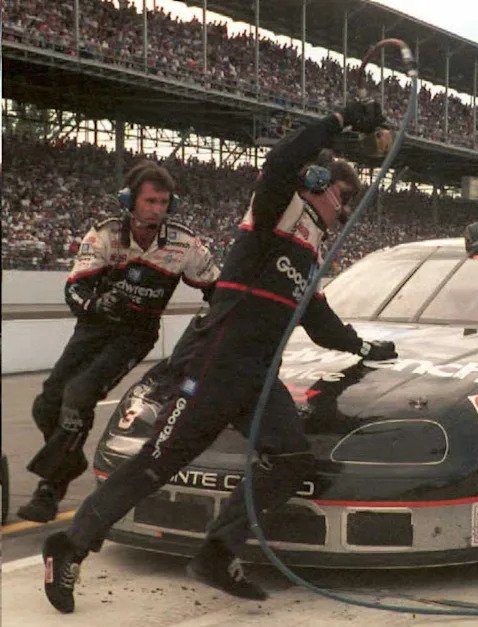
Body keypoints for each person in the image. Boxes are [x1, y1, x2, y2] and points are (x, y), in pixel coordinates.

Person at [41, 102, 398, 614]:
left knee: (290, 460)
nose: (345, 210)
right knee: (159, 462)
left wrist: (365, 348)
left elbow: (319, 322)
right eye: (343, 197)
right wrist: (340, 120)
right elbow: (279, 163)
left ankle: (218, 550)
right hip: (217, 360)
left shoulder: (310, 249)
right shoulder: (276, 210)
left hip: (256, 372)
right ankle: (70, 544)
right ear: (318, 183)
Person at [19, 161, 220, 523]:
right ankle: (71, 458)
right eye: (150, 201)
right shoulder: (105, 235)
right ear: (130, 201)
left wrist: (220, 321)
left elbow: (218, 290)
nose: (157, 210)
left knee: (78, 395)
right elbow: (74, 288)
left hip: (135, 334)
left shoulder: (184, 244)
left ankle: (49, 490)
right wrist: (96, 304)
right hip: (95, 326)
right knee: (47, 404)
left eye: (163, 202)